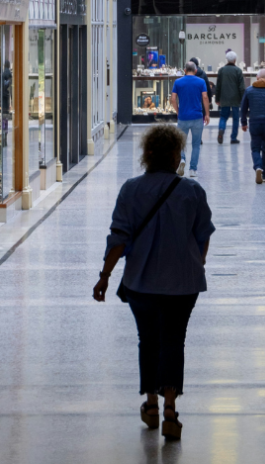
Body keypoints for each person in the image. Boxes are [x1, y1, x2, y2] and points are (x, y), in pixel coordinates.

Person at [92, 125, 215, 442]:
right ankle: (171, 409)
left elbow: (118, 238)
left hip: (141, 283)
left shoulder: (130, 190)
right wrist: (195, 264)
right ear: (175, 155)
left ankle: (150, 404)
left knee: (148, 341)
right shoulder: (192, 191)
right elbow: (203, 237)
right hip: (183, 285)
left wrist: (104, 277)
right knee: (174, 341)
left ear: (147, 155)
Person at [171, 61, 210, 178]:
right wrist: (207, 114)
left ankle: (182, 159)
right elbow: (205, 97)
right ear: (196, 70)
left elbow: (173, 99)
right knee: (196, 144)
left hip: (183, 117)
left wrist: (178, 112)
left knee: (181, 142)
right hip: (197, 117)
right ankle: (193, 169)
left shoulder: (178, 82)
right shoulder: (201, 81)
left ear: (184, 70)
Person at [215, 51, 245, 144]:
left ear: (226, 59)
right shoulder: (238, 71)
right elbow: (242, 87)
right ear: (235, 60)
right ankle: (233, 138)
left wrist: (217, 98)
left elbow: (218, 86)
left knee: (223, 116)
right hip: (236, 98)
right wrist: (243, 98)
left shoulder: (221, 70)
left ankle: (221, 129)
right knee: (236, 118)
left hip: (224, 98)